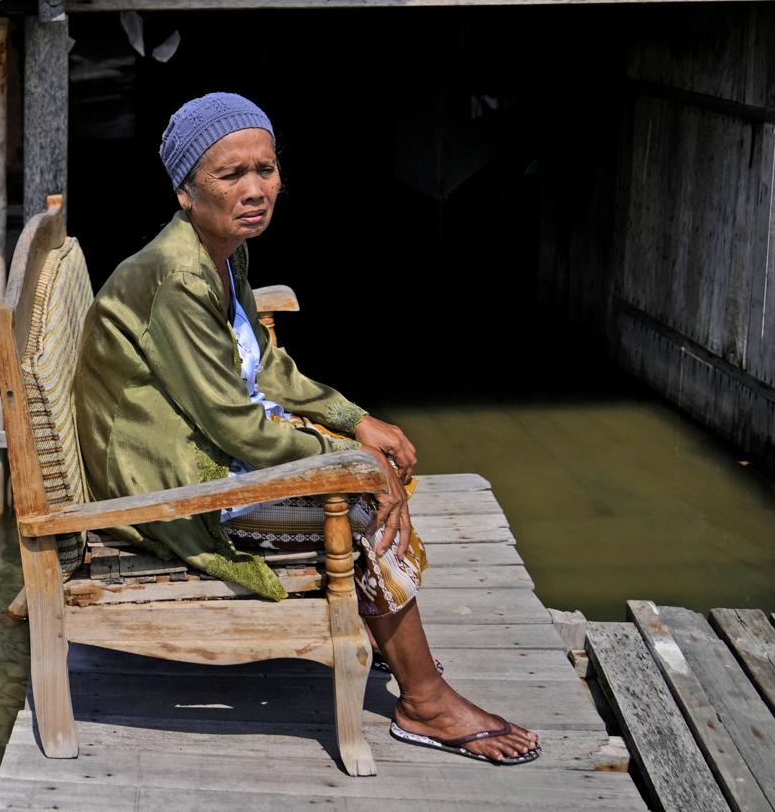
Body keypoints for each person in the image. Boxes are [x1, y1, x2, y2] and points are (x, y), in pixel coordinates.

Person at [74, 92, 540, 766]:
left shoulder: (222, 250)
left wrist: (354, 420)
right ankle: (424, 700)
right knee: (357, 507)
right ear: (185, 191)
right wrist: (348, 460)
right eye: (230, 175)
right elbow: (236, 423)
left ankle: (389, 635)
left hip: (198, 443)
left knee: (379, 465)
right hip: (170, 481)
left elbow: (263, 365)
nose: (256, 188)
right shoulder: (176, 276)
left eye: (265, 169)